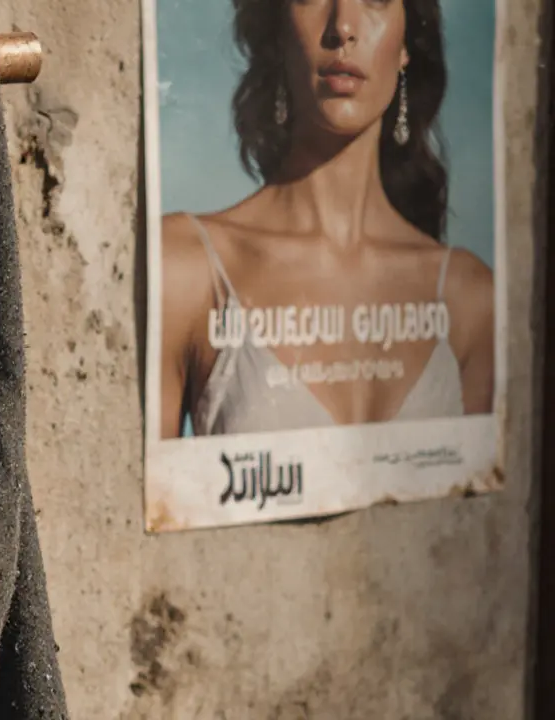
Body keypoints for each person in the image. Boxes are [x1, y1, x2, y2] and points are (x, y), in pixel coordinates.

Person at [159, 0, 494, 438]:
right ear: (278, 30)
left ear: (408, 41)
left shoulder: (469, 298)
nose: (343, 28)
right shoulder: (187, 267)